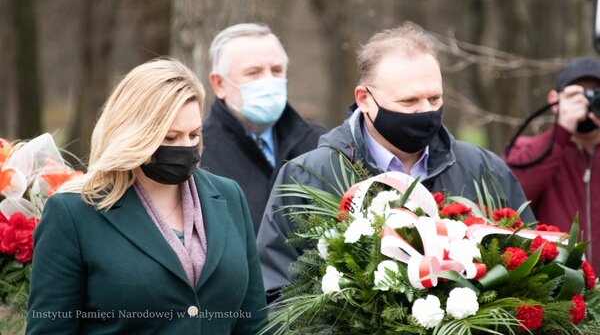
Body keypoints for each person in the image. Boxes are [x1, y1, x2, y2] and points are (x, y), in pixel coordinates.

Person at [257, 22, 535, 301]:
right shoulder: (307, 178)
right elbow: (276, 293)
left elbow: (533, 272)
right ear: (364, 99)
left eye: (434, 98)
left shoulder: (485, 170)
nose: (425, 111)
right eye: (409, 101)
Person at [27, 58, 267, 334]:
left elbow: (254, 323)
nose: (186, 147)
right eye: (170, 137)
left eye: (194, 135)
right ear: (134, 134)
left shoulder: (229, 196)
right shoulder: (73, 214)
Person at [202, 23, 326, 234]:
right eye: (253, 72)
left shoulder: (320, 144)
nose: (269, 81)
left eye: (276, 70)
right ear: (219, 84)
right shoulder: (199, 154)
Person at [504, 56, 600, 272]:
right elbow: (509, 198)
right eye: (577, 96)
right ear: (554, 100)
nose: (586, 104)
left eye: (596, 95)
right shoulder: (528, 150)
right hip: (556, 283)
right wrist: (560, 135)